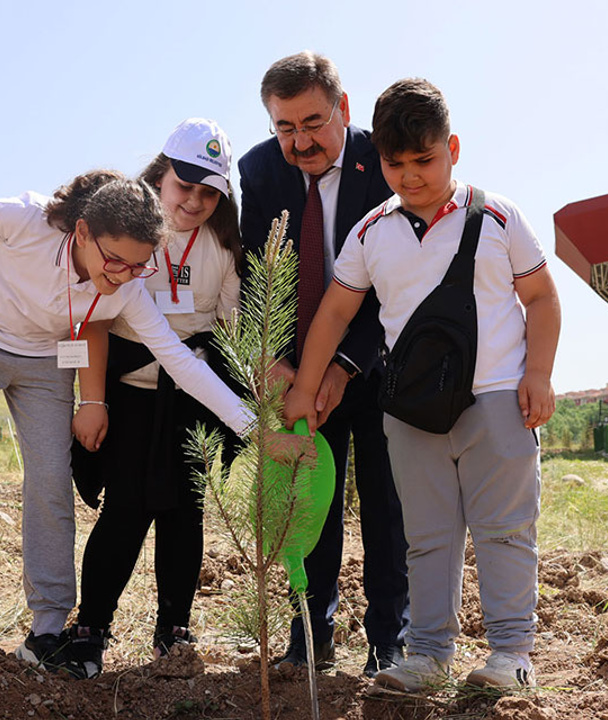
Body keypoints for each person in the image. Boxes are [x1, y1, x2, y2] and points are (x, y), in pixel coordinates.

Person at [0, 148, 261, 694]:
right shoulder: (25, 218)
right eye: (115, 261)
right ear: (83, 233)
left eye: (138, 266)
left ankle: (45, 630)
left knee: (49, 486)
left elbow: (180, 362)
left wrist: (254, 428)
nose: (123, 277)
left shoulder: (129, 286)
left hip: (45, 359)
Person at [284, 77, 561, 692]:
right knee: (427, 538)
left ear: (453, 148)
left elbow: (540, 297)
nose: (410, 177)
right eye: (395, 163)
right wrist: (304, 388)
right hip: (408, 412)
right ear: (377, 158)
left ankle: (511, 655)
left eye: (424, 161)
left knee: (505, 530)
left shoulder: (498, 216)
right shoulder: (370, 232)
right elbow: (334, 312)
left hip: (498, 400)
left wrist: (537, 373)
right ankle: (428, 656)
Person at [238, 51, 409, 678]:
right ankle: (311, 633)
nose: (299, 142)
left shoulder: (381, 163)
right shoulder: (258, 171)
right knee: (310, 501)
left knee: (386, 506)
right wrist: (284, 365)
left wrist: (340, 367)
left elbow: (393, 283)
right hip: (300, 374)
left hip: (379, 359)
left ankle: (390, 638)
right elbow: (264, 275)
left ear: (342, 108)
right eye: (285, 127)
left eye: (312, 122)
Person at [64, 118, 242, 677]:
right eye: (184, 186)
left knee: (185, 513)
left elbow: (233, 327)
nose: (193, 201)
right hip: (123, 392)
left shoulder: (223, 245)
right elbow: (84, 317)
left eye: (209, 192)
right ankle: (91, 626)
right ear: (160, 175)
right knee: (124, 509)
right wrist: (87, 399)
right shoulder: (120, 223)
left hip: (191, 395)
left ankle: (175, 628)